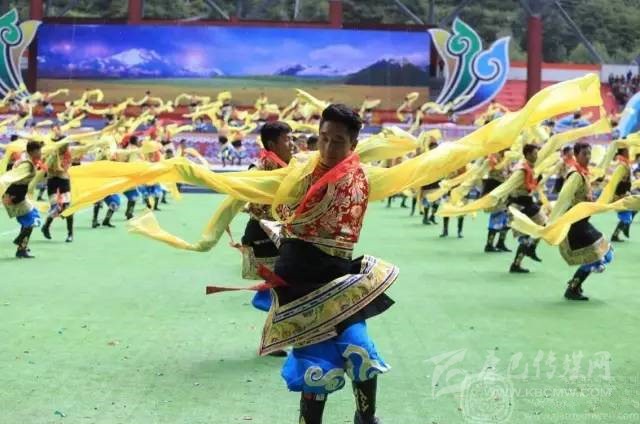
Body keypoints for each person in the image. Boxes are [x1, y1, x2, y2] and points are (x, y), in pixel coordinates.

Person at [551, 143, 614, 300]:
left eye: (589, 154)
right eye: (584, 154)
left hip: (582, 222)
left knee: (602, 253)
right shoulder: (575, 175)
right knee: (598, 255)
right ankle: (573, 288)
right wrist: (554, 220)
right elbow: (564, 197)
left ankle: (574, 287)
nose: (588, 157)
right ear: (576, 155)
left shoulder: (583, 173)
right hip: (575, 223)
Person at [2, 141, 43, 258]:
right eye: (38, 151)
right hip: (14, 196)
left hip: (18, 195)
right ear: (32, 152)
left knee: (31, 219)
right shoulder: (26, 164)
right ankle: (20, 242)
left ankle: (22, 248)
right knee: (33, 220)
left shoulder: (26, 159)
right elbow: (11, 176)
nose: (40, 153)